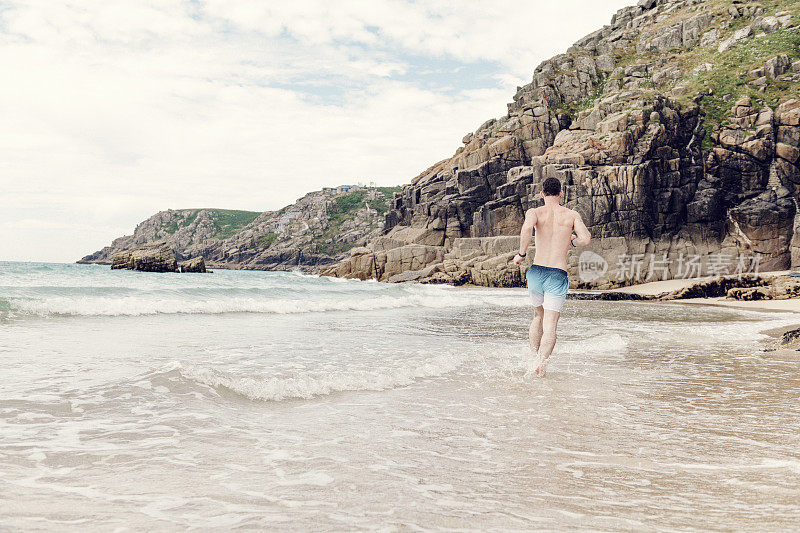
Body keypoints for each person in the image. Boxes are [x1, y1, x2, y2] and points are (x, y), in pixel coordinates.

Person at [512, 177, 591, 376]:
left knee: (538, 316)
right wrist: (571, 242)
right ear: (561, 193)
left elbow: (526, 228)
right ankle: (541, 364)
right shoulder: (571, 215)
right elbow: (586, 238)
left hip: (537, 272)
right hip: (557, 273)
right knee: (551, 325)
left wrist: (521, 254)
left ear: (541, 194)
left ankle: (532, 356)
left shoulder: (535, 212)